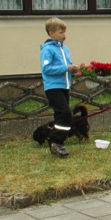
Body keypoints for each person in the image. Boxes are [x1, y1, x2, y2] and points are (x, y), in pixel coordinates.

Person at [40, 17, 81, 157]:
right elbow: (47, 69)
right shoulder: (47, 50)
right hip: (53, 87)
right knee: (65, 114)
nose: (64, 35)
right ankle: (56, 140)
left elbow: (66, 68)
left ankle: (56, 142)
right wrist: (66, 68)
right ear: (51, 33)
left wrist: (73, 71)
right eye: (61, 32)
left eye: (65, 32)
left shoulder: (65, 49)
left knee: (60, 116)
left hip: (64, 86)